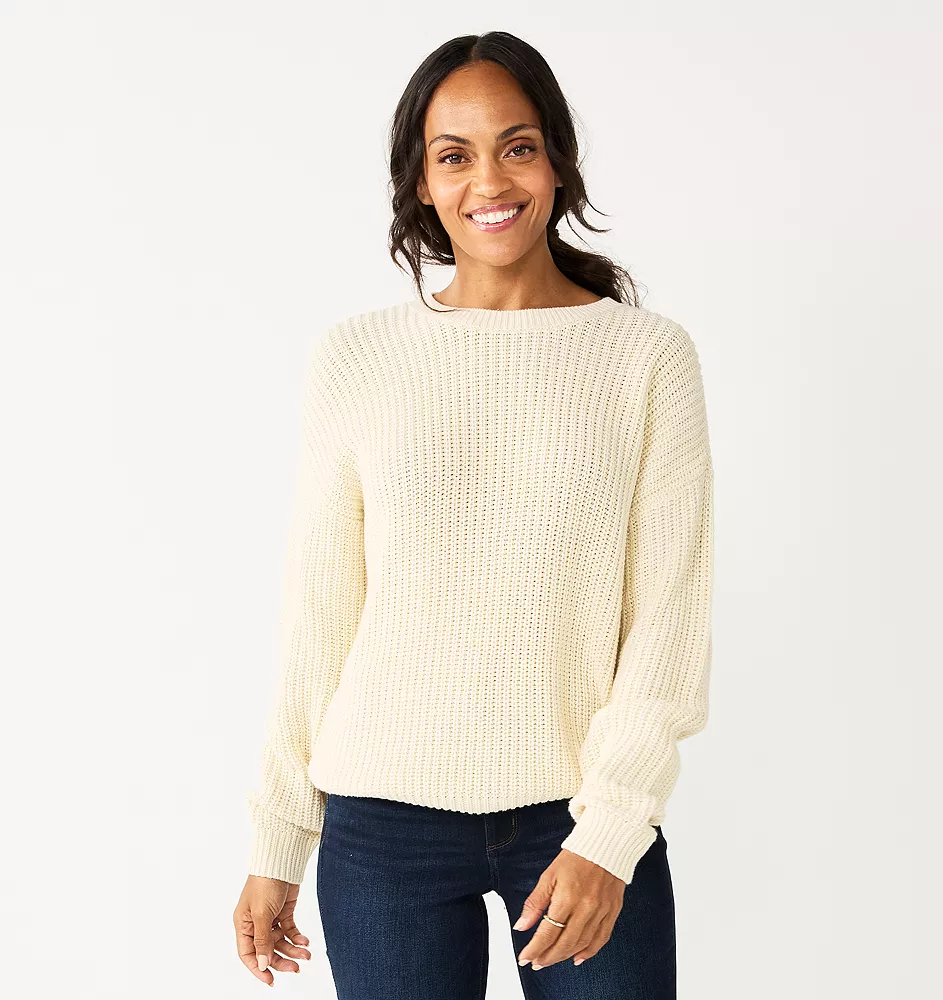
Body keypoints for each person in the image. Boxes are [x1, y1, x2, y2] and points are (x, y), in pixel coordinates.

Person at [232, 30, 714, 1000]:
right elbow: (319, 615)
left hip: (579, 820)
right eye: (454, 155)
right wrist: (278, 836)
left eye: (517, 146)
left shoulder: (645, 357)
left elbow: (667, 623)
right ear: (420, 181)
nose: (489, 180)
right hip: (383, 825)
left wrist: (611, 831)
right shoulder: (357, 358)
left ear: (557, 161)